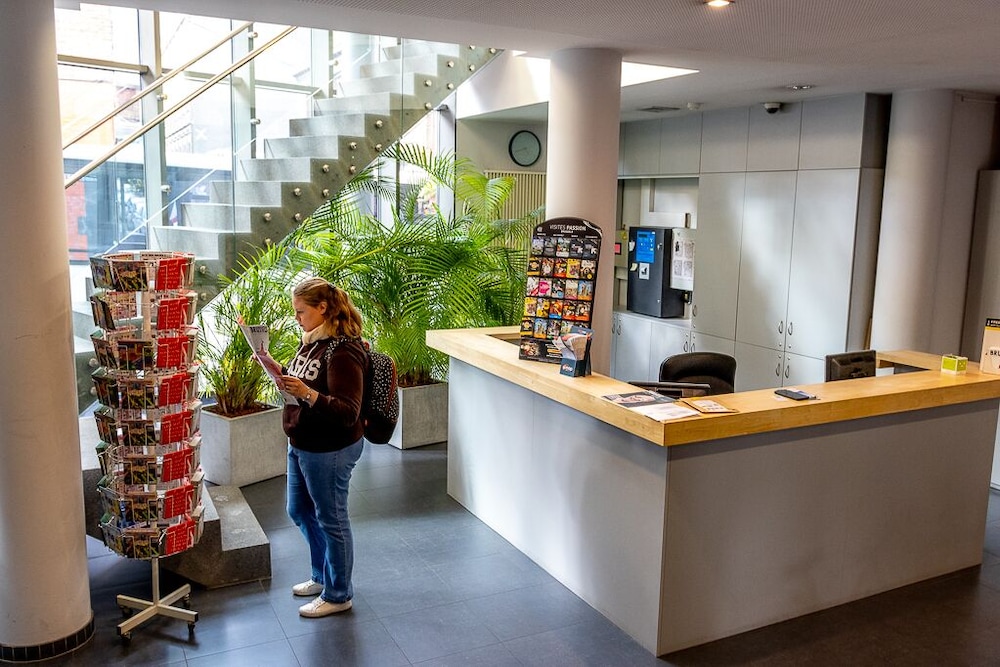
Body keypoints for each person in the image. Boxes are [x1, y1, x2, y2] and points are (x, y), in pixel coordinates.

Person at [258, 277, 367, 618]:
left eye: (301, 311)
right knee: (299, 510)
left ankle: (338, 593)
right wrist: (275, 367)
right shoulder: (310, 342)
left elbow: (348, 411)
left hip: (329, 448)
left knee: (332, 520)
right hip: (302, 442)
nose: (296, 318)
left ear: (323, 308)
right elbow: (302, 379)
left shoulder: (344, 351)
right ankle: (322, 575)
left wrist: (307, 393)